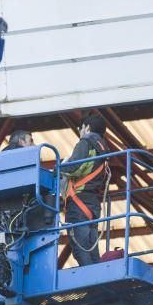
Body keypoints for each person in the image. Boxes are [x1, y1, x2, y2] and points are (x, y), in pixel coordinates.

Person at [63, 113, 110, 266]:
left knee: (80, 248)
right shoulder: (104, 149)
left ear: (87, 128)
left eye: (81, 128)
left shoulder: (85, 143)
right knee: (91, 248)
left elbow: (74, 167)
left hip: (79, 203)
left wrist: (61, 166)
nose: (80, 132)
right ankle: (98, 278)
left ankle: (93, 282)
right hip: (93, 204)